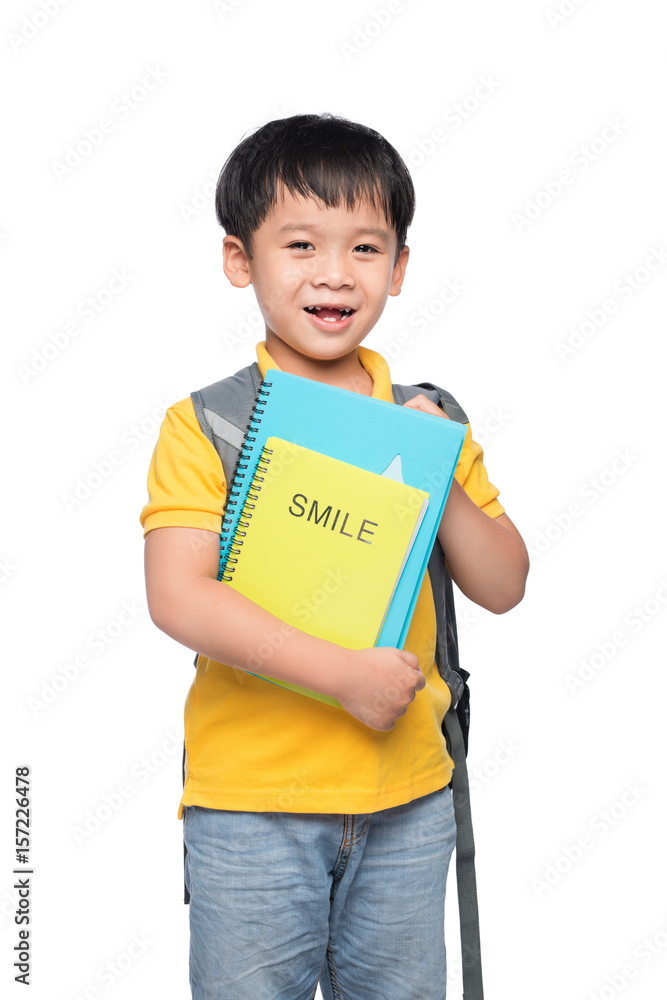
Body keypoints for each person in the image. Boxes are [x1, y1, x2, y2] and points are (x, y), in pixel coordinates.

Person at [140, 112, 529, 1000]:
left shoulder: (430, 414)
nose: (333, 273)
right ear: (241, 260)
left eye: (364, 248)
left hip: (408, 802)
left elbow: (503, 586)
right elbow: (179, 597)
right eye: (301, 244)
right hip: (251, 807)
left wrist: (439, 475)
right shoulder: (208, 424)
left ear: (397, 268)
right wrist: (343, 677)